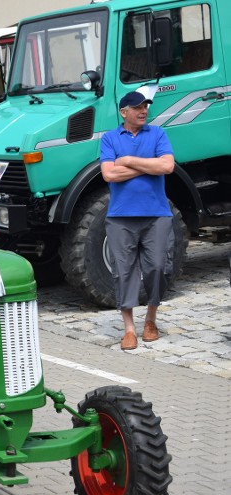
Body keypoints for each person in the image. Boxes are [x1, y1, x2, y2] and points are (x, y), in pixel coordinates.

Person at [100, 90, 175, 351]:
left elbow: (167, 167)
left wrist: (130, 161)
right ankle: (129, 329)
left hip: (157, 215)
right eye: (137, 107)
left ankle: (151, 320)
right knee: (124, 272)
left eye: (145, 107)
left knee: (158, 267)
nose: (143, 111)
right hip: (120, 217)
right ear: (124, 112)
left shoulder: (157, 134)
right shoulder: (110, 138)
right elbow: (109, 175)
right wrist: (149, 164)